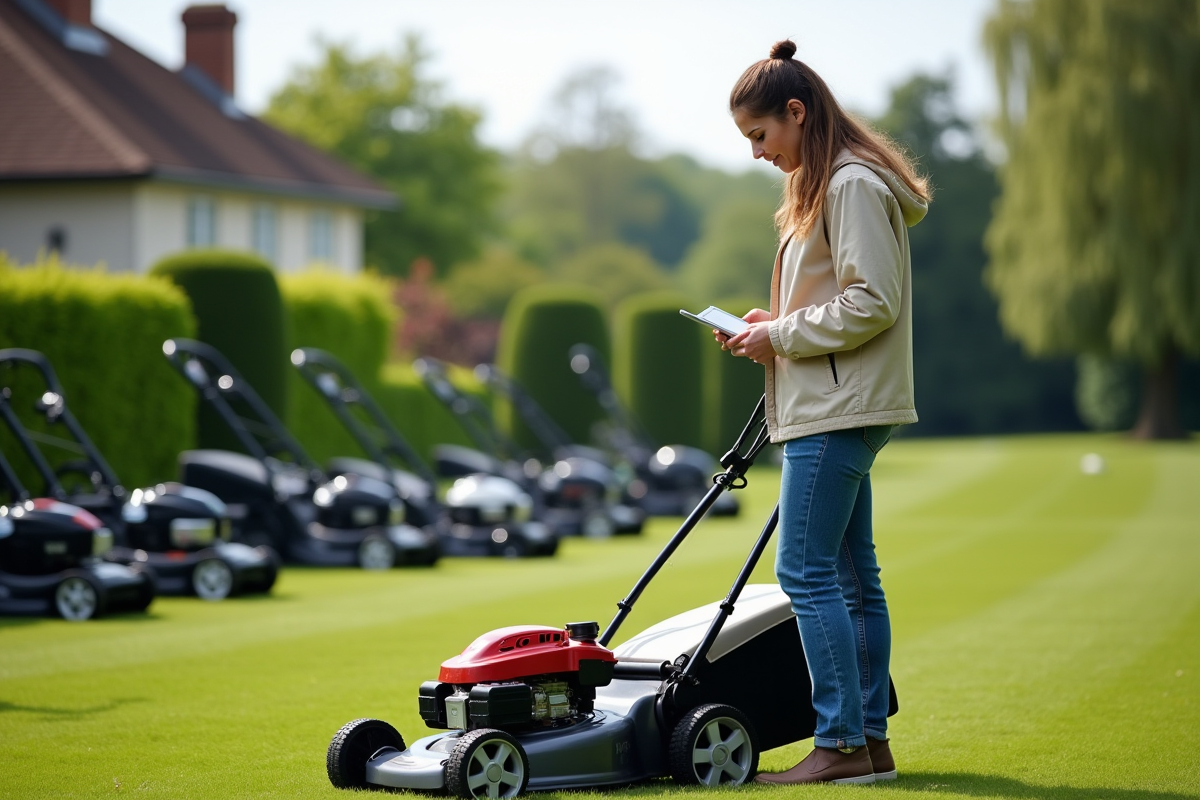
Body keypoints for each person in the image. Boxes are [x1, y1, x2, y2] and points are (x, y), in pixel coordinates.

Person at [717, 39, 930, 785]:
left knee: (804, 573)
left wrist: (775, 334)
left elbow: (872, 302)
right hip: (836, 399)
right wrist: (768, 325)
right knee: (848, 577)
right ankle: (867, 748)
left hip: (837, 408)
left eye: (760, 135)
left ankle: (838, 743)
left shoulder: (848, 185)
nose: (757, 153)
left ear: (797, 113)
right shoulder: (831, 183)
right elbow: (836, 299)